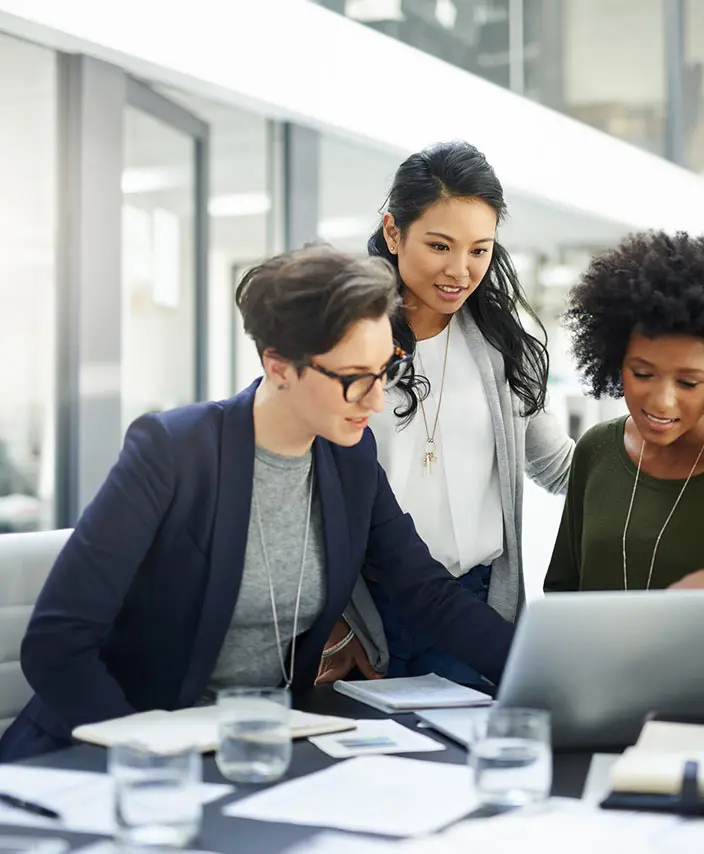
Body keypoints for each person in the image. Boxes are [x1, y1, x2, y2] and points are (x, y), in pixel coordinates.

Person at [0, 245, 515, 762]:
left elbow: (426, 592)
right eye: (355, 378)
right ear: (280, 366)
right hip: (113, 755)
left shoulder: (350, 458)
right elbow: (56, 643)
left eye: (386, 371)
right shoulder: (174, 451)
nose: (376, 400)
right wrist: (151, 758)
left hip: (259, 750)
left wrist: (536, 670)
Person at [317, 141, 573, 685]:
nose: (460, 270)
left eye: (480, 250)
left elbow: (557, 466)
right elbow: (303, 487)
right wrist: (335, 622)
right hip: (366, 614)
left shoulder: (505, 346)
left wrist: (666, 450)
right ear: (393, 232)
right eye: (439, 245)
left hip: (476, 609)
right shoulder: (343, 340)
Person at [543, 231, 704, 702]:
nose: (661, 401)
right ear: (613, 359)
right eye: (642, 374)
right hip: (601, 711)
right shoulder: (596, 451)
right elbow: (561, 605)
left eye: (688, 381)